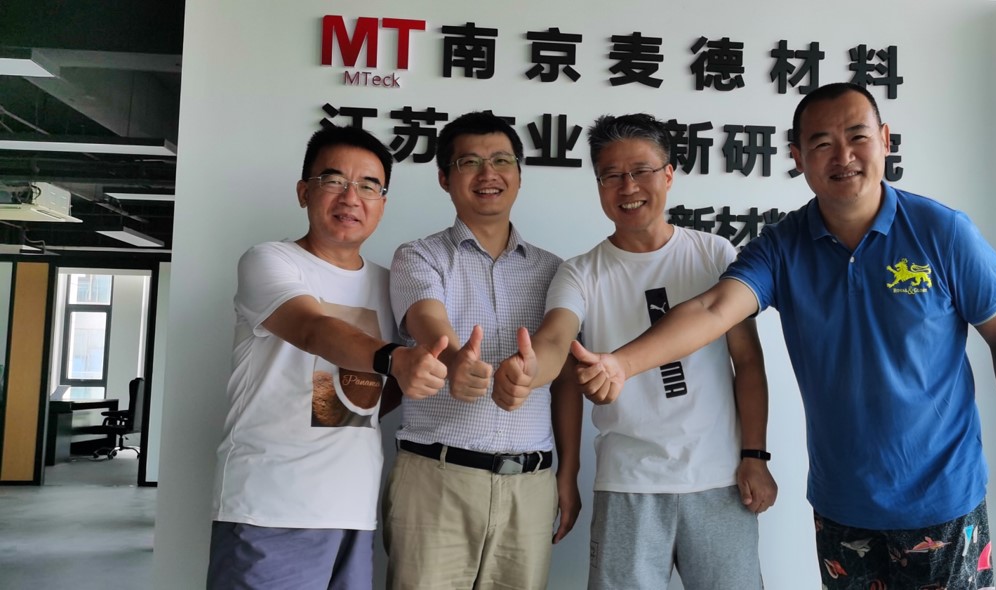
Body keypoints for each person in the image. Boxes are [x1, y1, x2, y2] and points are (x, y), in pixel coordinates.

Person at [570, 83, 996, 589]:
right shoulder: (783, 247)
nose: (843, 156)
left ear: (885, 140)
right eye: (822, 143)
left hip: (943, 499)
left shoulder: (942, 233)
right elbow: (714, 308)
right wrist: (622, 364)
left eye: (857, 137)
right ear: (798, 157)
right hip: (843, 505)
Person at [492, 113, 776, 589]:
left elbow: (747, 362)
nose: (628, 187)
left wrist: (756, 454)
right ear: (599, 186)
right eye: (611, 175)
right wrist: (528, 370)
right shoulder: (580, 273)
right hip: (628, 483)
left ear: (669, 174)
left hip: (720, 478)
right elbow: (556, 342)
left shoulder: (714, 254)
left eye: (641, 170)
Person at [208, 125, 449, 590]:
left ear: (383, 202)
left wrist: (413, 371)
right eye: (334, 181)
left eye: (369, 186)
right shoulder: (270, 261)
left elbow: (373, 395)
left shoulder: (389, 283)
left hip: (353, 513)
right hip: (269, 508)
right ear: (304, 192)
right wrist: (396, 359)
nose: (351, 198)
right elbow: (312, 329)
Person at [384, 111, 579, 589]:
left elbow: (565, 380)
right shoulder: (419, 255)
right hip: (436, 480)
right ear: (444, 178)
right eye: (469, 162)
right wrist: (456, 361)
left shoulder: (556, 271)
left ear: (519, 175)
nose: (488, 173)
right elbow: (428, 322)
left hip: (530, 486)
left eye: (501, 160)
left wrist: (568, 473)